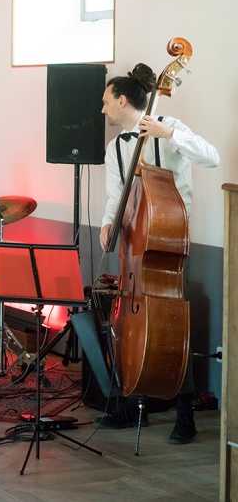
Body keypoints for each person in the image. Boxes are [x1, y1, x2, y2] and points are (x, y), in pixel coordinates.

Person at [100, 63, 220, 443]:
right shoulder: (116, 147)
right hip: (135, 241)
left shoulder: (168, 126)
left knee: (169, 327)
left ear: (122, 100)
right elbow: (115, 195)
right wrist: (107, 223)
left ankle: (184, 411)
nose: (103, 110)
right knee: (124, 323)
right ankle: (128, 399)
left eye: (106, 102)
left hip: (168, 240)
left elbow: (211, 157)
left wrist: (169, 134)